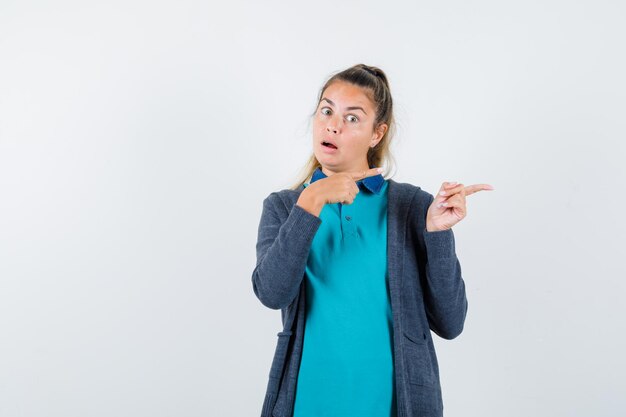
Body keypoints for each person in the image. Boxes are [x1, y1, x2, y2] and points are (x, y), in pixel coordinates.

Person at [252, 63, 494, 417]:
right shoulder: (286, 206)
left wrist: (439, 235)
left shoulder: (412, 207)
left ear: (376, 134)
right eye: (326, 110)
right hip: (308, 402)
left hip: (393, 405)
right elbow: (271, 294)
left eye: (352, 118)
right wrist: (311, 203)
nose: (333, 124)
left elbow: (450, 323)